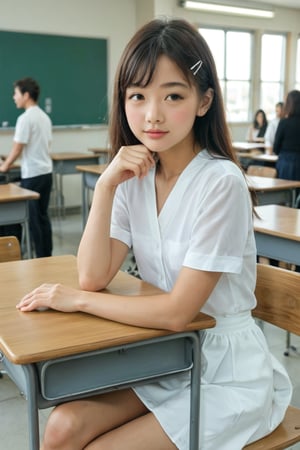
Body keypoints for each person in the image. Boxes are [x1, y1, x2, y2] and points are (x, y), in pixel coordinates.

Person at [16, 18, 292, 450]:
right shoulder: (134, 176)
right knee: (61, 428)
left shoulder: (221, 183)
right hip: (167, 354)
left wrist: (78, 300)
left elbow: (177, 311)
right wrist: (107, 184)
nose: (153, 115)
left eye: (173, 96)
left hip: (226, 371)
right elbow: (93, 274)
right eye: (137, 96)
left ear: (204, 102)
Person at [0, 77, 53, 257]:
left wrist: (4, 166)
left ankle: (40, 258)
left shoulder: (25, 119)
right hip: (46, 172)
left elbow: (17, 148)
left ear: (26, 95)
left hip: (33, 175)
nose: (14, 97)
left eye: (16, 93)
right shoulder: (44, 117)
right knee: (43, 217)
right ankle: (46, 254)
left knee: (34, 220)